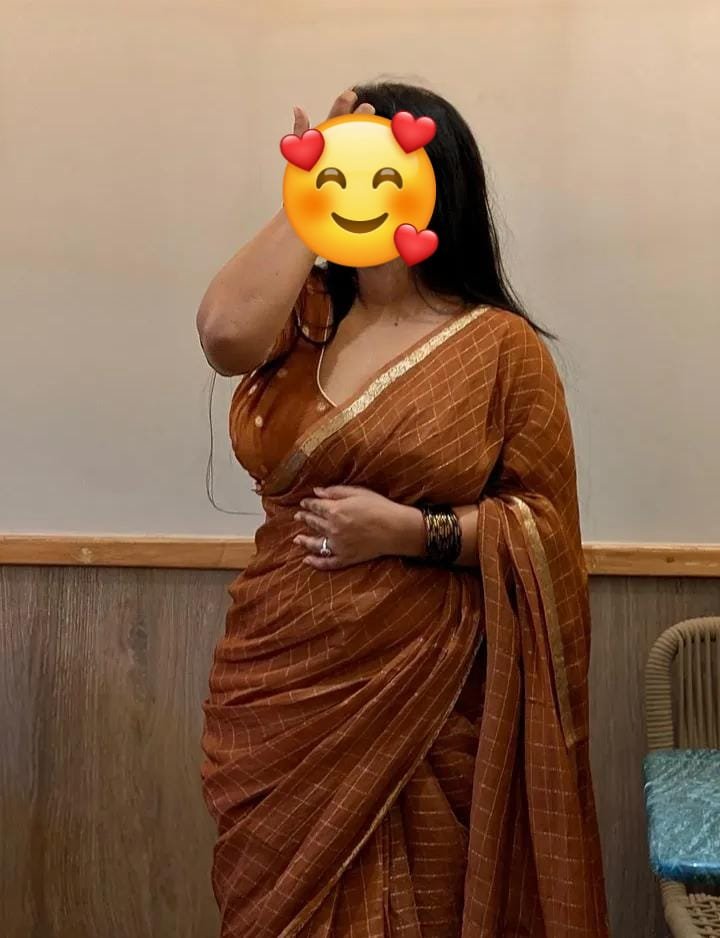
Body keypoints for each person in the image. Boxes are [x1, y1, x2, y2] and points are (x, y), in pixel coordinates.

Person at [196, 82, 609, 938]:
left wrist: (412, 532)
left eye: (381, 169)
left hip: (433, 700)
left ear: (435, 184)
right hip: (282, 681)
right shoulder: (304, 319)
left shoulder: (500, 348)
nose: (360, 188)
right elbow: (222, 334)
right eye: (344, 170)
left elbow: (543, 527)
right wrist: (303, 197)